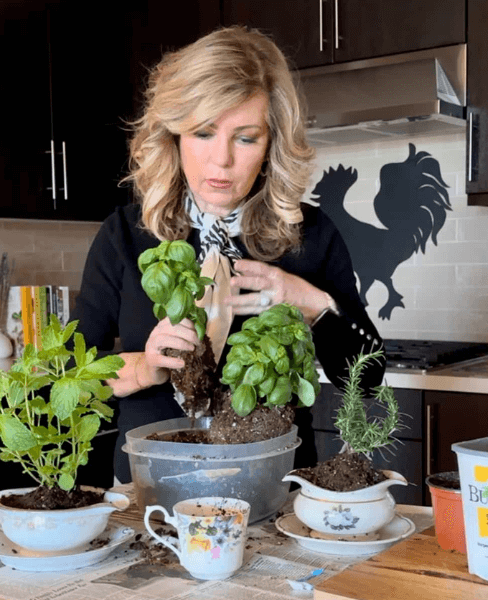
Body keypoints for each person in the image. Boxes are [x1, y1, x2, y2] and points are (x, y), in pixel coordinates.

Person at [71, 26, 385, 484]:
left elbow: (369, 380)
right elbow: (74, 379)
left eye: (245, 137)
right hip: (156, 487)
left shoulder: (311, 235)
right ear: (173, 134)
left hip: (273, 487)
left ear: (271, 144)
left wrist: (312, 303)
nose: (220, 161)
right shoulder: (125, 235)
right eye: (202, 132)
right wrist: (144, 366)